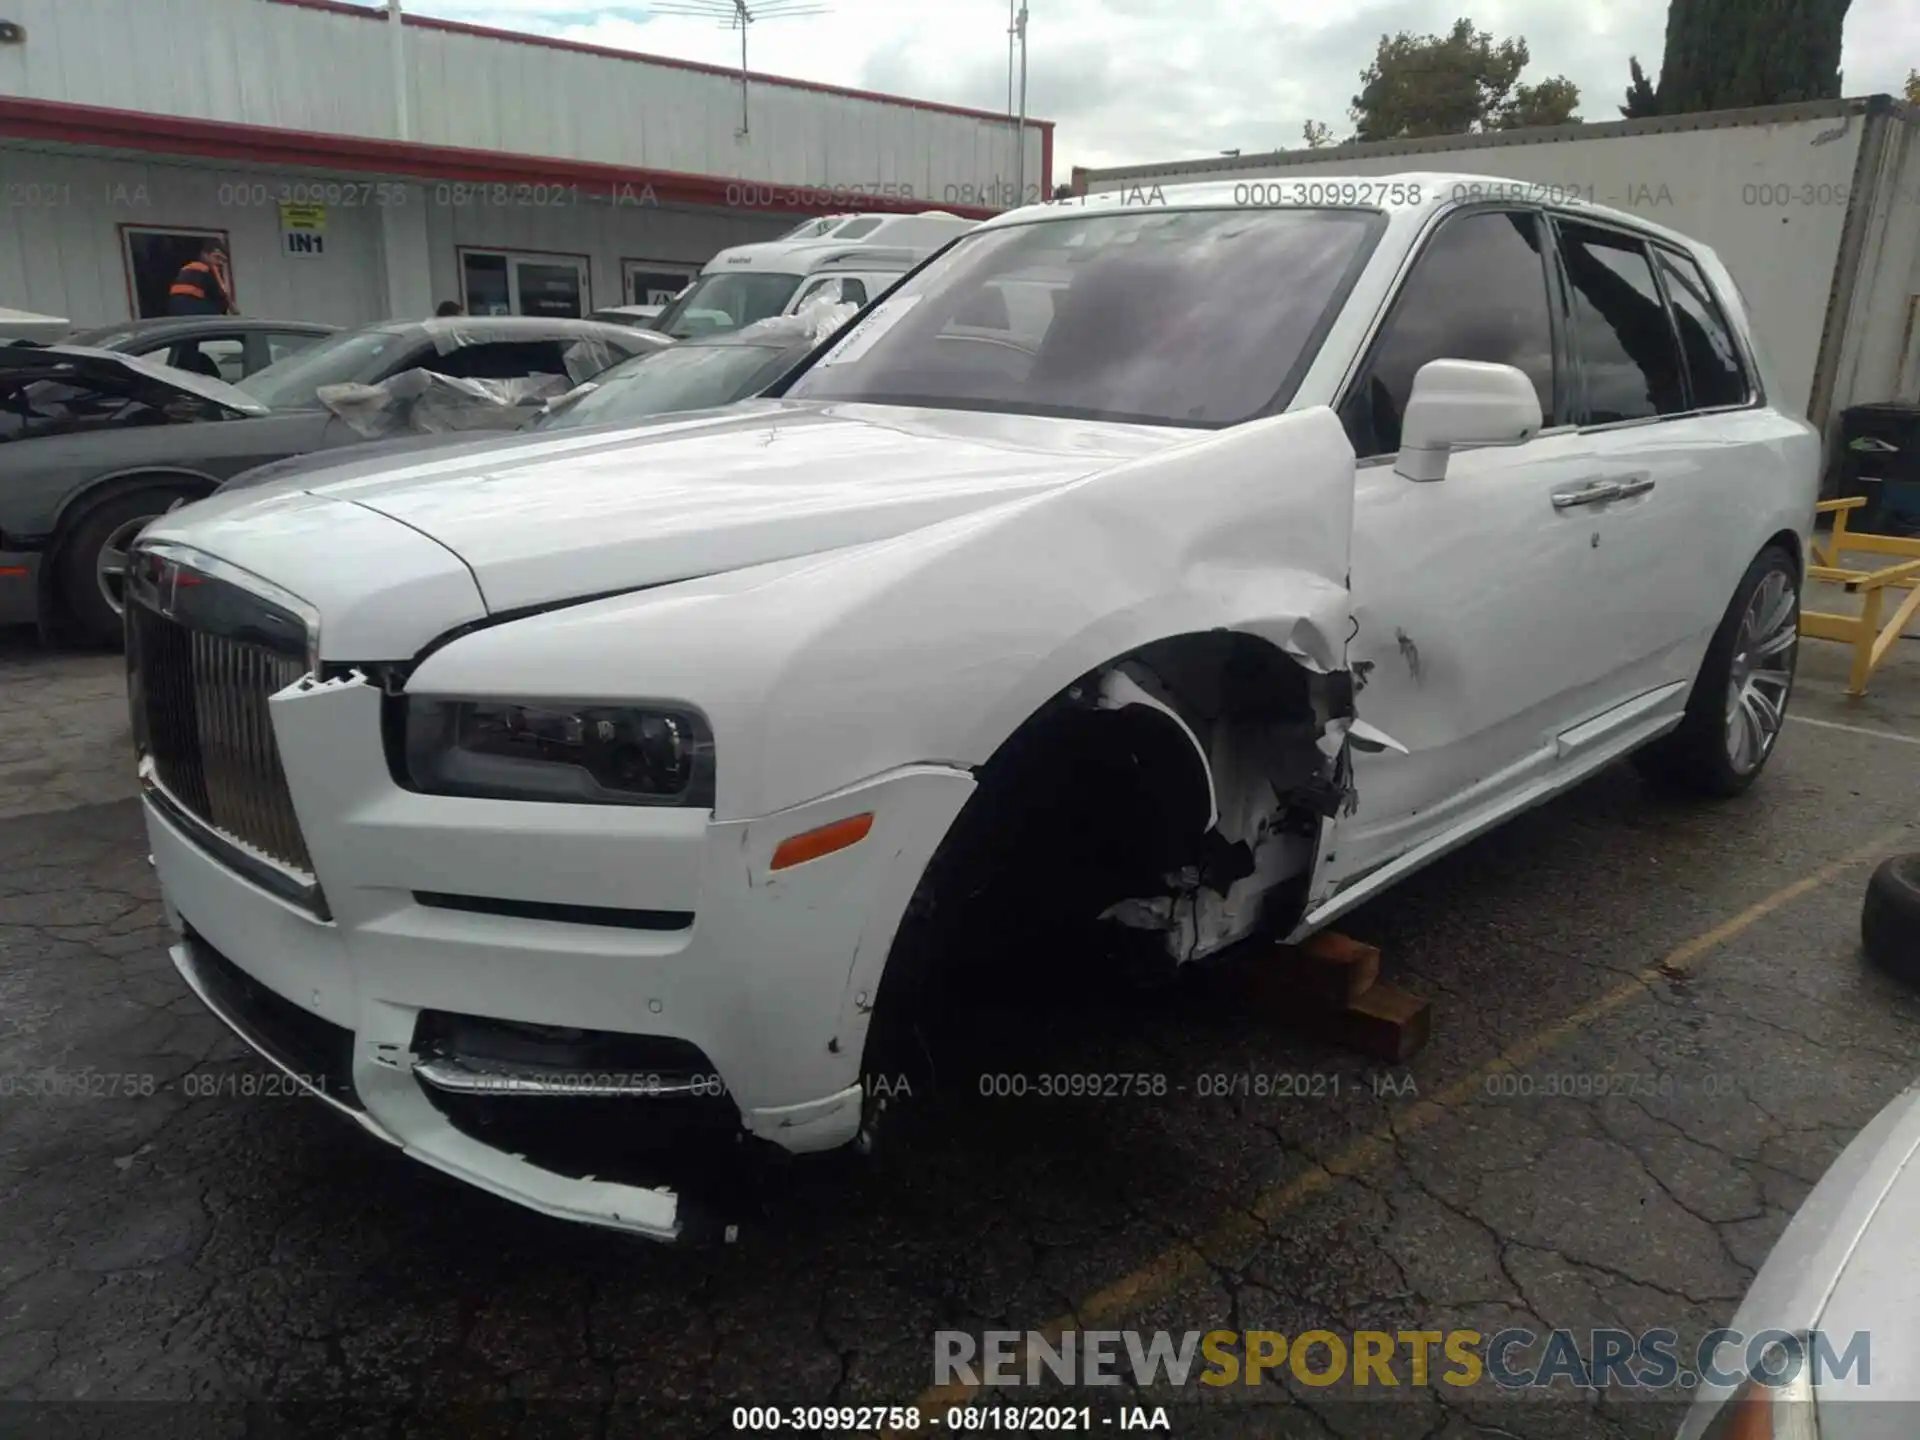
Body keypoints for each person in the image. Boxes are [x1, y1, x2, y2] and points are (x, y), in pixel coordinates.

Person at [166, 241, 235, 316]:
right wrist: (230, 308)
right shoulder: (207, 269)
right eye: (217, 257)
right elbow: (218, 294)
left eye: (223, 260)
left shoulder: (188, 267)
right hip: (192, 304)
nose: (220, 262)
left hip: (174, 305)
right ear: (205, 255)